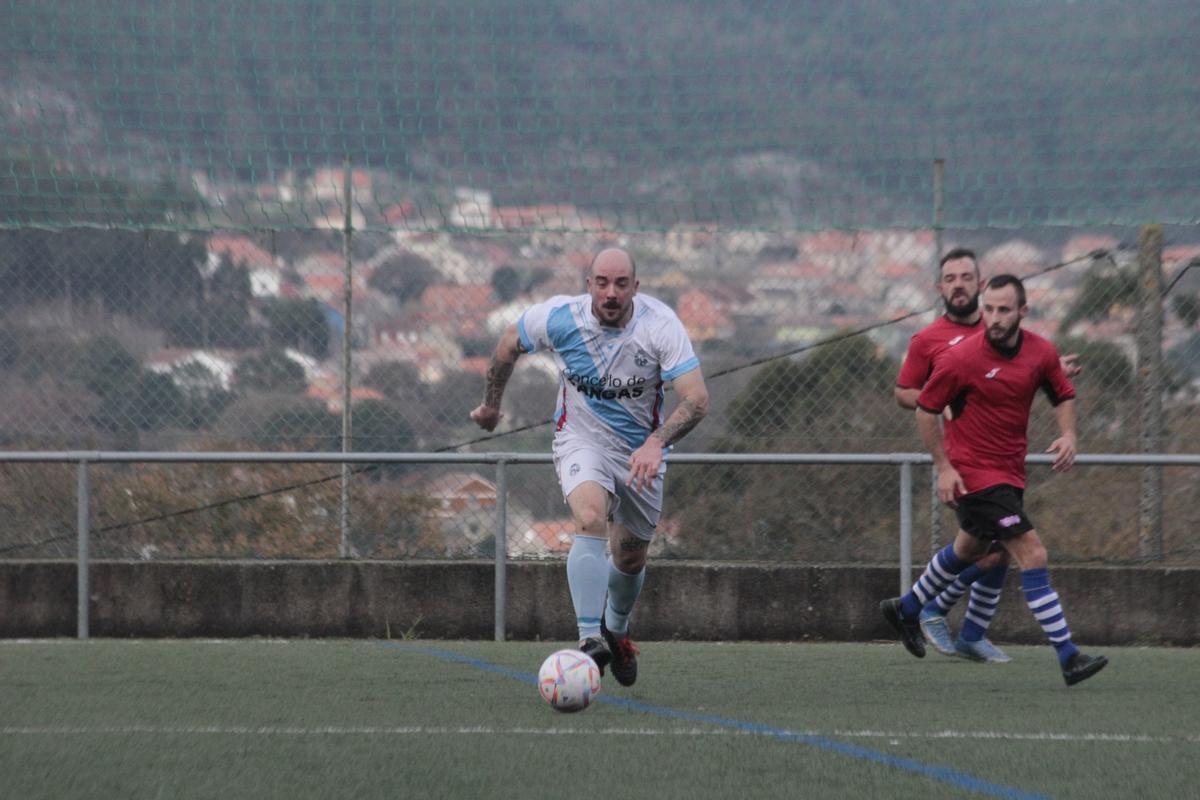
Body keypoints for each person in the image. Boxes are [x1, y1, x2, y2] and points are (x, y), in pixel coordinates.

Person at [470, 247, 709, 688]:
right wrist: (490, 405)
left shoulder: (660, 326)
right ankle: (588, 642)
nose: (611, 293)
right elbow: (507, 344)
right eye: (602, 283)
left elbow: (696, 399)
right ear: (589, 286)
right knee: (589, 517)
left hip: (641, 452)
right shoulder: (560, 318)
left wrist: (656, 444)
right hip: (580, 440)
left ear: (636, 288)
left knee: (631, 556)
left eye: (621, 284)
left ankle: (616, 632)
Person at [882, 274, 1108, 687]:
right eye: (989, 309)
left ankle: (909, 607)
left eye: (1004, 309)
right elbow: (925, 408)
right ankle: (1069, 656)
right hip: (974, 475)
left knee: (969, 549)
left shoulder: (1041, 351)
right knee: (1032, 554)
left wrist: (1069, 434)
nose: (995, 317)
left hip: (1008, 473)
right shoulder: (960, 358)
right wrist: (944, 467)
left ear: (1023, 311)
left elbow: (1062, 393)